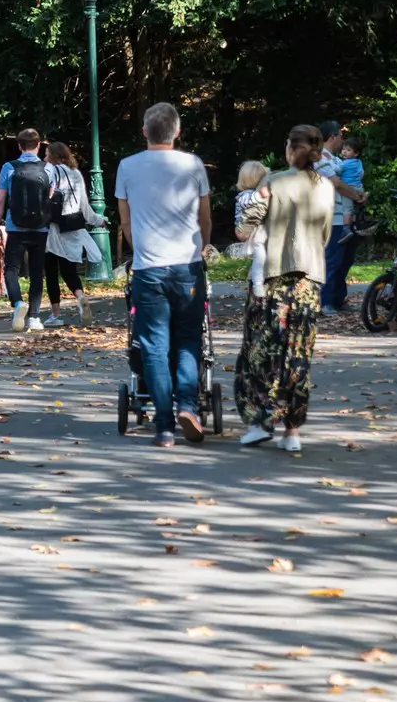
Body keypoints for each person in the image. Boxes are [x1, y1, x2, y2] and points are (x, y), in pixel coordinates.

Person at [114, 102, 216, 448]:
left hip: (148, 267)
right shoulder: (193, 165)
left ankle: (164, 426)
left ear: (144, 131)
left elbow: (125, 221)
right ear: (178, 132)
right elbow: (205, 216)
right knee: (188, 339)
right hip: (186, 264)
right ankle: (187, 404)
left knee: (154, 347)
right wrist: (202, 246)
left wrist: (138, 246)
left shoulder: (127, 167)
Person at [233, 125, 337, 451]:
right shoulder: (326, 187)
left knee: (260, 352)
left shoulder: (272, 182)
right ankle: (292, 431)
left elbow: (242, 229)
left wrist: (258, 202)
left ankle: (260, 419)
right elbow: (324, 235)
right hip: (308, 279)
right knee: (297, 355)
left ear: (290, 150)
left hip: (273, 279)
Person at [0, 128, 58, 333]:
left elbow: (0, 199)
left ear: (19, 146)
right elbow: (49, 198)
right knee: (37, 272)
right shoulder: (49, 169)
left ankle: (17, 303)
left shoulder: (9, 167)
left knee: (11, 268)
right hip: (40, 228)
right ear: (39, 145)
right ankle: (35, 317)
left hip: (15, 226)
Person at [43, 141, 103, 324]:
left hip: (54, 227)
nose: (44, 158)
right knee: (69, 271)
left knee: (51, 271)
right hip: (73, 227)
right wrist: (98, 220)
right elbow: (84, 205)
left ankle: (55, 315)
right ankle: (80, 297)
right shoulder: (76, 173)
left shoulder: (50, 171)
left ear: (53, 156)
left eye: (46, 154)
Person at [315, 121, 369, 314]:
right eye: (340, 136)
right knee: (333, 259)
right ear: (333, 136)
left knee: (346, 260)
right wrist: (357, 196)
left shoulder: (339, 160)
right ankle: (325, 300)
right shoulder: (319, 158)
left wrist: (360, 195)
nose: (343, 140)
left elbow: (354, 177)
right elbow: (336, 183)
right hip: (332, 218)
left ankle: (339, 298)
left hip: (346, 217)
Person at [234, 161, 269, 297]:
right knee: (260, 255)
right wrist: (262, 193)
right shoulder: (244, 195)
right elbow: (251, 200)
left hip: (256, 229)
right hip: (249, 230)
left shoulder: (251, 194)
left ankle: (258, 280)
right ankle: (257, 284)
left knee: (261, 255)